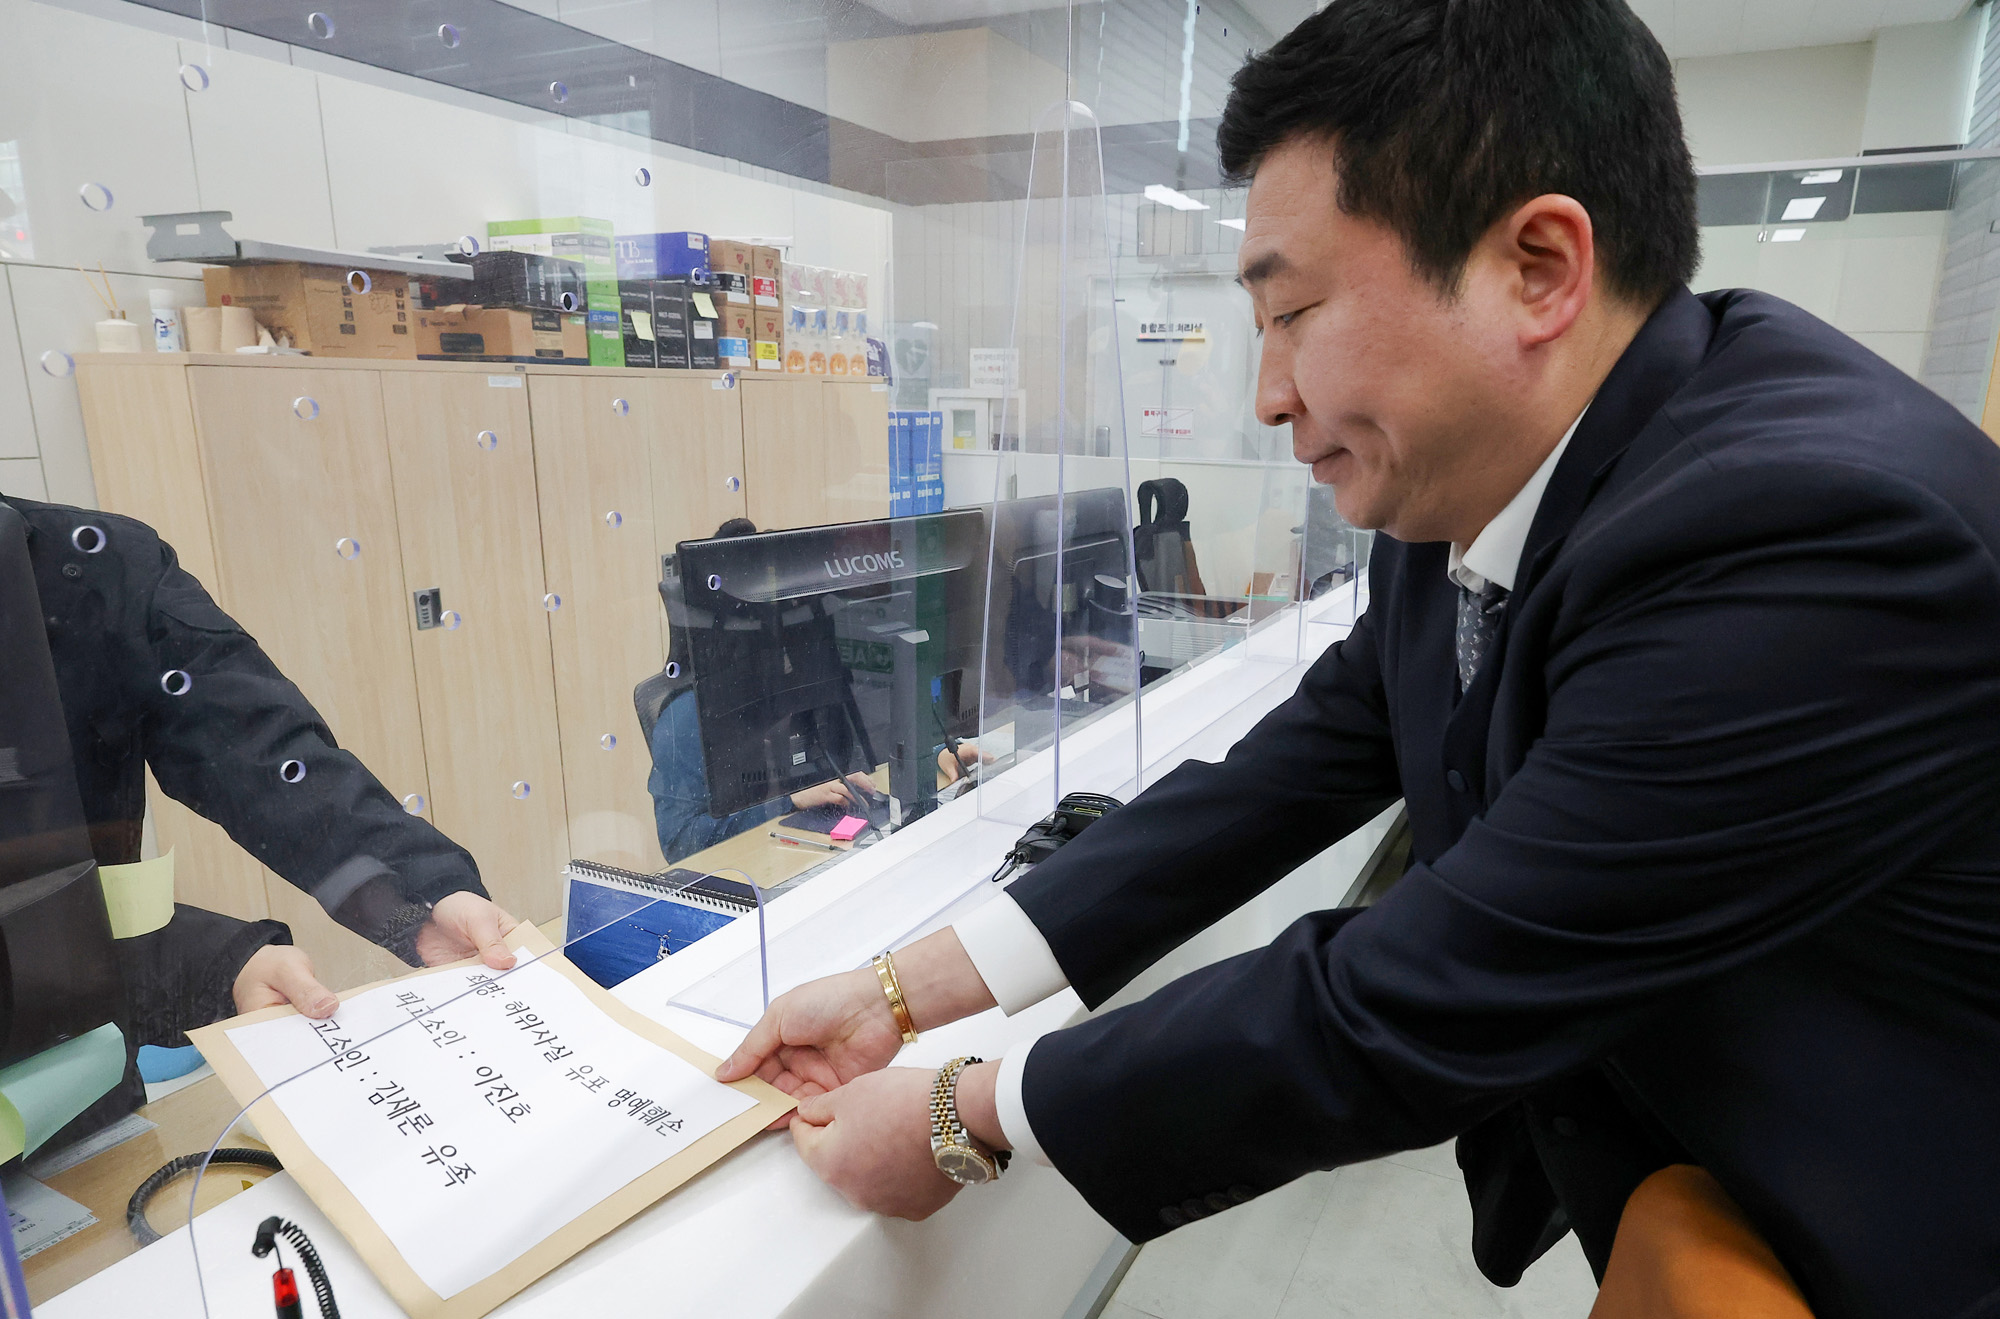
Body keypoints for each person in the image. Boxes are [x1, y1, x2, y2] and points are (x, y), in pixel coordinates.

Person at [716, 3, 2000, 1316]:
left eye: (1297, 313)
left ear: (1539, 266)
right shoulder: (1487, 471)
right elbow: (1294, 767)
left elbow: (1420, 990)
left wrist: (964, 1112)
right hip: (1701, 1168)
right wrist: (898, 988)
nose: (1268, 393)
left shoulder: (1815, 534)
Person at [4, 491, 523, 1028]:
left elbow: (263, 753)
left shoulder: (95, 563)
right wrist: (215, 962)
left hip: (82, 1061)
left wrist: (421, 899)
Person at [647, 517, 980, 863]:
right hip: (765, 880)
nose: (797, 639)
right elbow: (680, 843)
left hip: (844, 861)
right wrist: (790, 801)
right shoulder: (687, 717)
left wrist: (934, 755)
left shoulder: (816, 683)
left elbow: (872, 751)